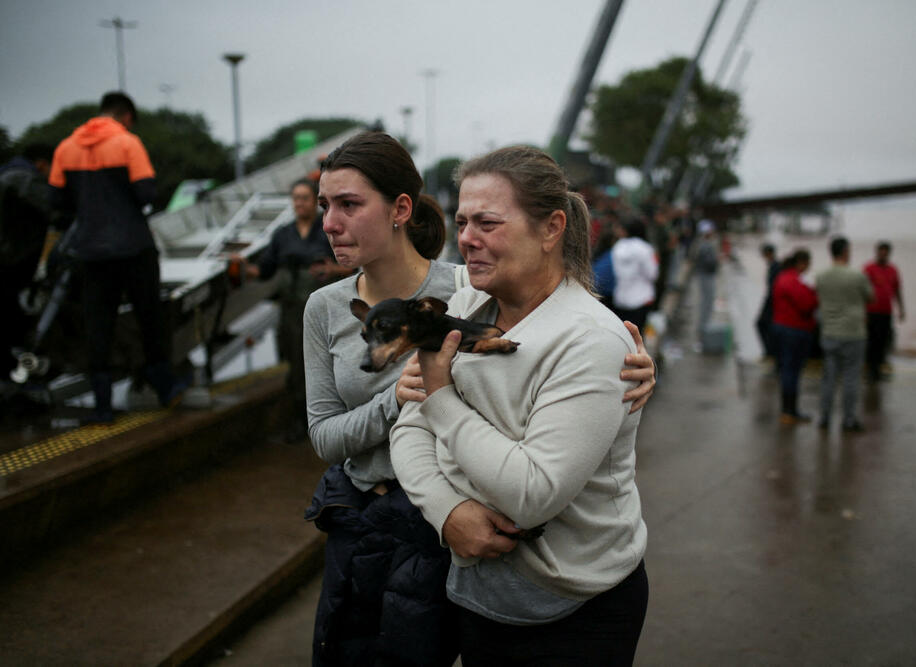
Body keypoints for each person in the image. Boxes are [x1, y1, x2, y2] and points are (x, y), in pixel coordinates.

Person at [301, 132, 655, 666]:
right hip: (474, 589)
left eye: (486, 223)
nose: (466, 238)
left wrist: (441, 396)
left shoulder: (571, 333)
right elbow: (408, 429)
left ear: (552, 227)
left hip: (568, 601)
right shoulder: (471, 300)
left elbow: (529, 492)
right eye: (463, 222)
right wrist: (448, 511)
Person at [48, 91, 185, 423]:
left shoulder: (66, 148)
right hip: (134, 247)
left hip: (90, 252)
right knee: (149, 315)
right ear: (126, 116)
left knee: (98, 324)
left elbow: (57, 201)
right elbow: (147, 193)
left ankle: (103, 405)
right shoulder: (128, 143)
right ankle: (164, 384)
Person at [231, 179, 352, 439]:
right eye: (295, 198)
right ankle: (302, 422)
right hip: (291, 311)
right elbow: (264, 270)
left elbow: (352, 265)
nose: (299, 203)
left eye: (304, 198)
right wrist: (241, 268)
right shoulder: (282, 234)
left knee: (332, 362)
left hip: (325, 310)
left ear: (315, 201)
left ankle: (337, 421)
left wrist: (331, 269)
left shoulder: (328, 229)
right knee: (297, 365)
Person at [0, 143, 63, 379]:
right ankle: (15, 376)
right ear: (41, 163)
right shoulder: (24, 180)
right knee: (12, 317)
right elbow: (53, 209)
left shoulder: (7, 173)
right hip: (11, 260)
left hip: (8, 258)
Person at [815, 237, 874, 431]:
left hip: (829, 332)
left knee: (828, 378)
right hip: (853, 333)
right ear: (846, 251)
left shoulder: (821, 276)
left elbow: (818, 297)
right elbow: (871, 297)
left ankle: (824, 417)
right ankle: (848, 419)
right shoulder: (857, 276)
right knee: (850, 378)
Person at [771, 249, 818, 424]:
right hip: (793, 330)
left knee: (788, 370)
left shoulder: (784, 277)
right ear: (802, 263)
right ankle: (789, 411)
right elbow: (807, 304)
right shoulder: (792, 280)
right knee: (791, 371)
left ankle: (789, 410)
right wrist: (814, 294)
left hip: (784, 328)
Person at [863, 241, 905, 381]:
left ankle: (878, 367)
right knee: (870, 341)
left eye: (885, 252)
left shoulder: (893, 270)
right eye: (881, 251)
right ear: (877, 252)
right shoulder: (869, 268)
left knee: (883, 340)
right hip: (871, 311)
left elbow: (897, 290)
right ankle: (870, 368)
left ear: (889, 253)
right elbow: (861, 290)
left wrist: (901, 309)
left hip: (886, 312)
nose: (883, 254)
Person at [611, 217, 659, 332]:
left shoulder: (618, 246)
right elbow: (652, 274)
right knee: (638, 336)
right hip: (641, 298)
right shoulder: (645, 248)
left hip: (621, 298)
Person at [690, 218, 720, 339]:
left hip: (706, 275)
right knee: (706, 302)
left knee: (708, 301)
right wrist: (717, 260)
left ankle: (704, 327)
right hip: (705, 275)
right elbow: (708, 261)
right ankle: (703, 329)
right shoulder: (704, 245)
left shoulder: (705, 243)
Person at [754, 242, 781, 361]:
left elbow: (774, 288)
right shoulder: (773, 266)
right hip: (771, 300)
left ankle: (770, 351)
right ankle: (770, 350)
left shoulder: (775, 267)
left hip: (773, 302)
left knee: (762, 324)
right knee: (765, 325)